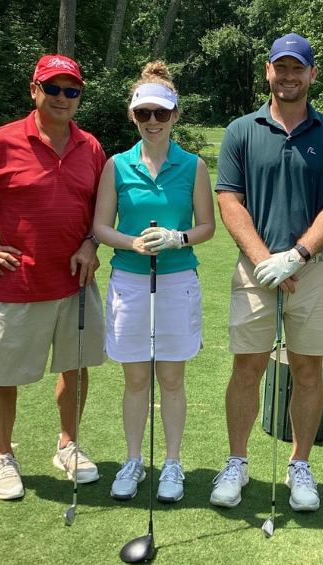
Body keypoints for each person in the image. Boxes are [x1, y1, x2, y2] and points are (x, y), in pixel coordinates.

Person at [0, 54, 107, 500]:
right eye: (52, 88)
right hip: (20, 282)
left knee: (76, 366)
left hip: (77, 282)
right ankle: (1, 455)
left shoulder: (90, 147)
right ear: (34, 90)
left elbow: (102, 210)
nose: (61, 98)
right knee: (3, 373)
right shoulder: (1, 142)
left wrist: (92, 241)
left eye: (71, 91)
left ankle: (68, 444)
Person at [210, 33, 323, 512]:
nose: (289, 76)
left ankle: (301, 465)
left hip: (311, 271)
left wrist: (296, 256)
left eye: (299, 68)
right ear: (268, 71)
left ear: (312, 75)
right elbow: (230, 200)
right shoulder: (241, 130)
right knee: (247, 367)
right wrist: (262, 260)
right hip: (255, 268)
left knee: (309, 371)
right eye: (281, 67)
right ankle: (237, 461)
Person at [93, 61, 215, 503]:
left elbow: (207, 227)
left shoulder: (194, 166)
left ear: (175, 115)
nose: (152, 122)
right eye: (143, 113)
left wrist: (176, 237)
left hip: (178, 281)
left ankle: (173, 464)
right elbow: (100, 227)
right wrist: (133, 243)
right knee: (136, 380)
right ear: (133, 116)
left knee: (172, 378)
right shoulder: (116, 166)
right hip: (128, 281)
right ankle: (132, 460)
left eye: (161, 114)